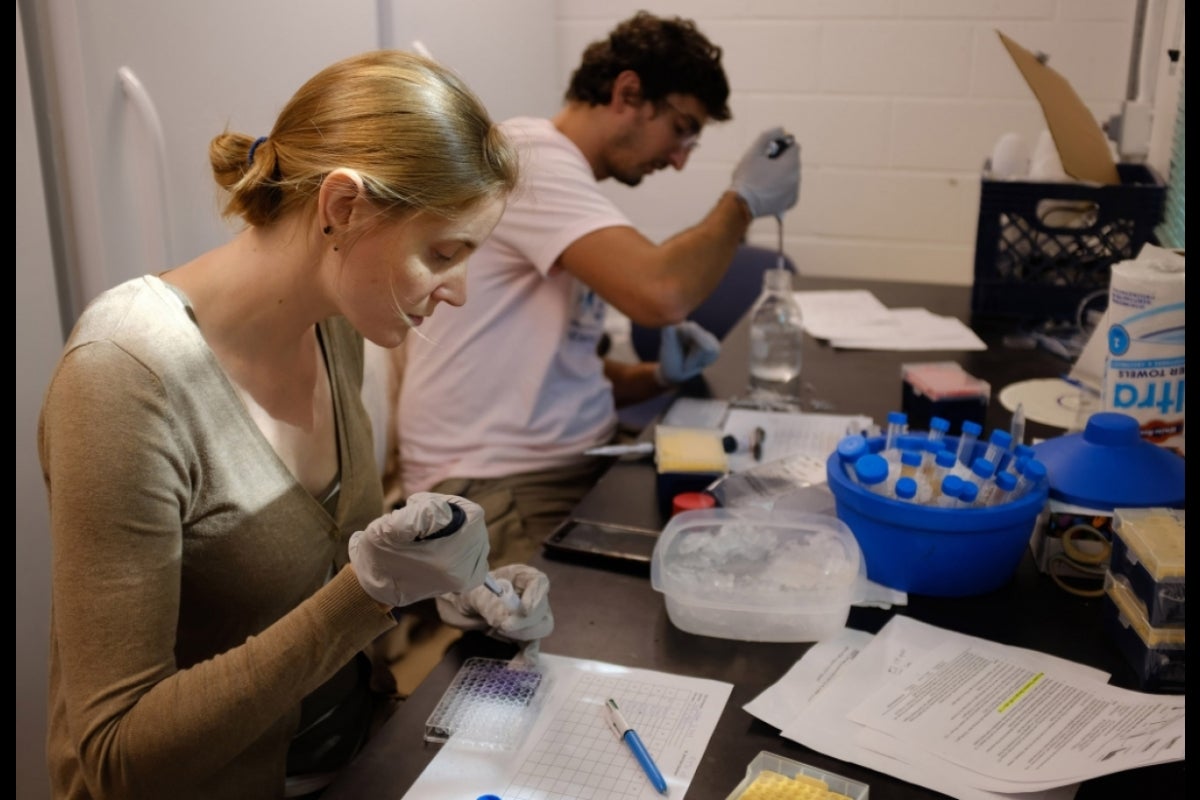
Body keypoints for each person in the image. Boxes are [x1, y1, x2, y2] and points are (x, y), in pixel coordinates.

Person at [37, 50, 553, 800]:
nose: (460, 292)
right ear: (343, 207)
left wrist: (447, 586)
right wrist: (369, 596)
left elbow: (314, 582)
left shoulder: (336, 320)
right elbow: (119, 758)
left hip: (353, 760)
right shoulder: (124, 376)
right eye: (443, 253)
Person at [397, 11, 801, 564]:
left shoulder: (563, 172)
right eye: (682, 128)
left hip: (566, 459)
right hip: (495, 484)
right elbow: (661, 293)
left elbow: (557, 363)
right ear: (628, 93)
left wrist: (653, 377)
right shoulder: (529, 161)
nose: (680, 159)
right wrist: (743, 201)